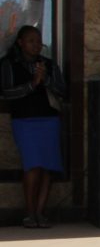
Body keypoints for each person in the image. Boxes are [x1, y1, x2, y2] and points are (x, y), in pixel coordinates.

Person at [0, 25, 67, 228]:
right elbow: (6, 92)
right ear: (20, 43)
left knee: (47, 167)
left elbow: (62, 90)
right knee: (32, 166)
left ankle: (40, 213)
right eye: (31, 41)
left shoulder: (48, 64)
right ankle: (29, 214)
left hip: (49, 120)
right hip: (25, 121)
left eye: (38, 41)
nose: (36, 45)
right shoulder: (8, 64)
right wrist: (32, 84)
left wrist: (45, 79)